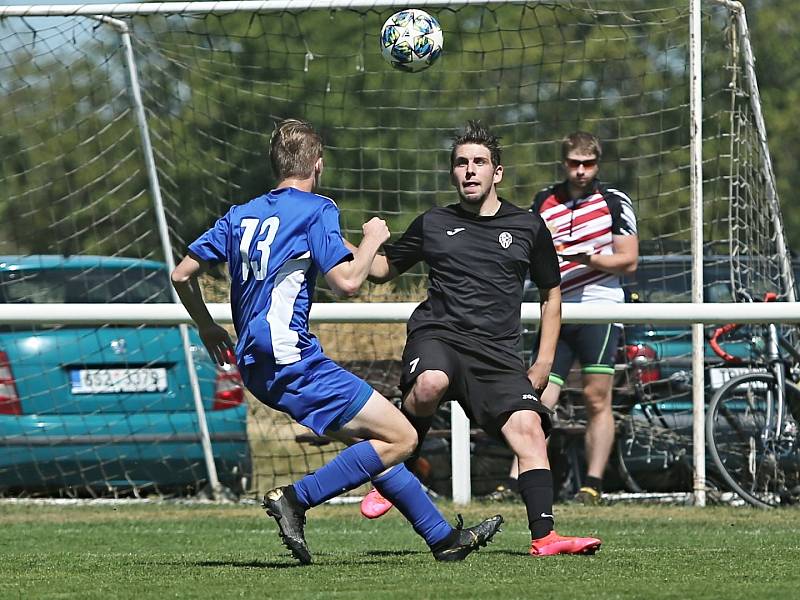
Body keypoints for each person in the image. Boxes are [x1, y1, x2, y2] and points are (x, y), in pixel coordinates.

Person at [171, 118, 503, 565]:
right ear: (318, 165)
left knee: (369, 445)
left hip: (256, 365)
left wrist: (208, 326)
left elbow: (181, 274)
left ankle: (443, 540)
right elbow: (347, 282)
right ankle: (294, 498)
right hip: (292, 359)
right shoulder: (316, 209)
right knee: (402, 436)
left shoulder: (240, 213)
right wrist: (372, 240)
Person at [358, 120, 602, 556]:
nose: (470, 170)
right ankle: (395, 466)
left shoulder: (528, 226)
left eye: (479, 162)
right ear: (452, 173)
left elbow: (551, 293)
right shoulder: (432, 223)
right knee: (431, 382)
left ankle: (545, 538)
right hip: (439, 335)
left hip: (496, 353)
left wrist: (545, 359)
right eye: (461, 163)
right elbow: (380, 272)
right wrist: (358, 243)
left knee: (529, 430)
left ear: (497, 173)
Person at [528, 131, 639, 504]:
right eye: (574, 163)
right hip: (554, 305)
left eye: (587, 164)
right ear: (564, 163)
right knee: (538, 393)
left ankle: (592, 484)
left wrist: (582, 257)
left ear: (597, 164)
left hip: (599, 305)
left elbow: (628, 260)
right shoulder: (544, 200)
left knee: (596, 398)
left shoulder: (613, 201)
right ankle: (521, 479)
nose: (580, 171)